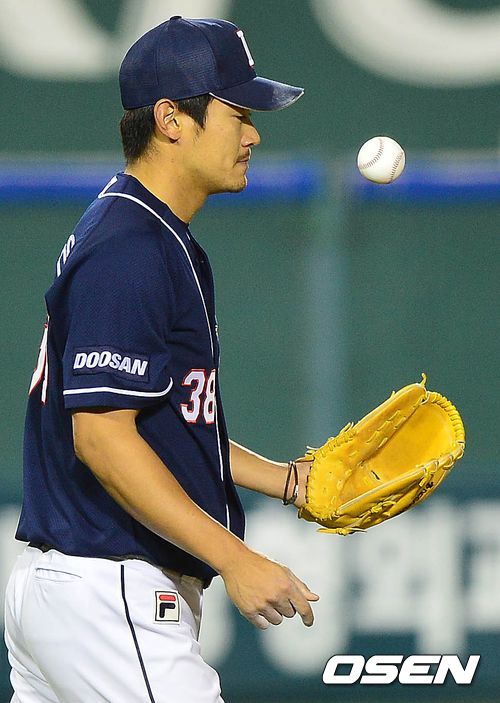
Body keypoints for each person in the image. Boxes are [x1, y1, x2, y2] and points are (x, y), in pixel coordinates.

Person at [4, 16, 318, 703]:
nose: (253, 135)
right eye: (238, 114)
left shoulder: (142, 230)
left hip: (80, 590)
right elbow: (101, 438)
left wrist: (290, 481)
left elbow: (162, 422)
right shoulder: (131, 246)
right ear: (172, 119)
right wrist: (235, 559)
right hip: (108, 589)